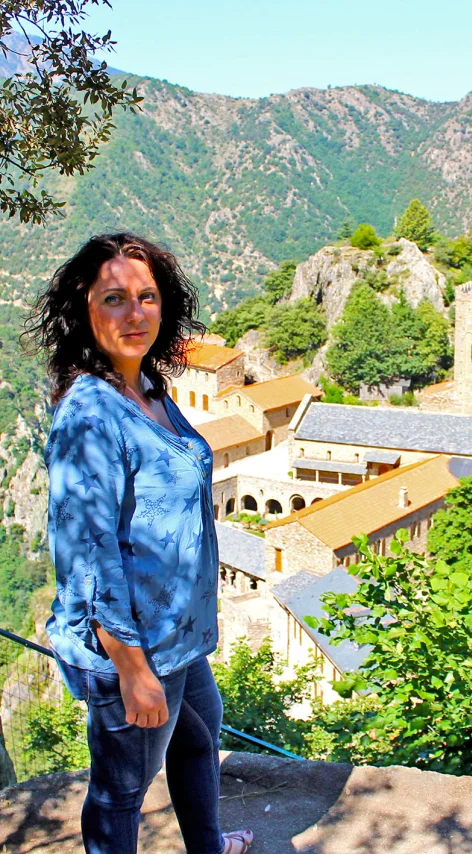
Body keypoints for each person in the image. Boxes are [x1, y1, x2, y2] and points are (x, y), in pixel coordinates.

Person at [26, 233, 253, 854]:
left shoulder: (147, 386)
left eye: (147, 297)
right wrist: (132, 671)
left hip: (178, 635)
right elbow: (87, 556)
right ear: (85, 310)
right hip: (135, 646)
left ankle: (208, 847)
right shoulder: (91, 414)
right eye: (115, 298)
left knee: (200, 741)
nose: (135, 313)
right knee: (121, 790)